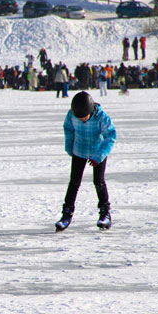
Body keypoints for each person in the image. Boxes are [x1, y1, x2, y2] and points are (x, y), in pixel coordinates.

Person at [55, 91, 117, 232]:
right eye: (79, 118)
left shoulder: (101, 117)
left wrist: (98, 156)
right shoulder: (71, 115)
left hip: (98, 150)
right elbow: (69, 130)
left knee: (98, 181)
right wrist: (69, 148)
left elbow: (111, 136)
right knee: (74, 182)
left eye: (84, 117)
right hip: (79, 149)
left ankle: (105, 213)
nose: (82, 120)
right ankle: (66, 215)